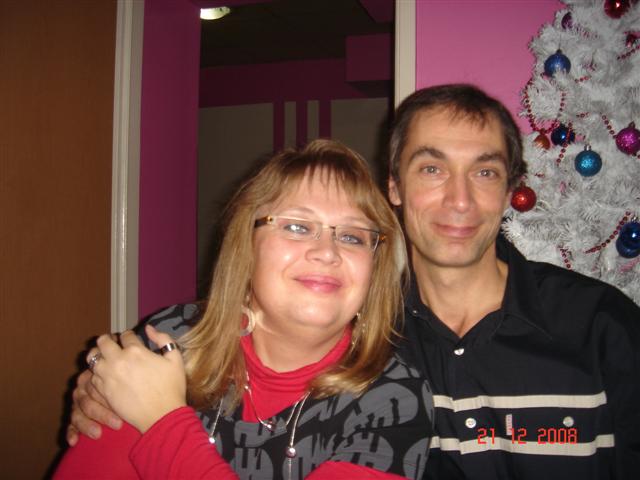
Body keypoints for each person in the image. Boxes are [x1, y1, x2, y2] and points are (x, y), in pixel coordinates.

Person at [66, 84, 640, 479]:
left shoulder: (600, 325)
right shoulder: (364, 329)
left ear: (511, 189)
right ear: (394, 187)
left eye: (485, 172)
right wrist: (108, 387)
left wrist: (159, 421)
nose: (460, 200)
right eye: (432, 168)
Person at [54, 139, 434, 479]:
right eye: (297, 227)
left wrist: (161, 421)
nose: (327, 252)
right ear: (246, 246)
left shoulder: (394, 399)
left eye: (351, 236)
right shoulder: (170, 340)